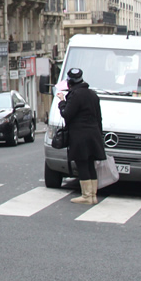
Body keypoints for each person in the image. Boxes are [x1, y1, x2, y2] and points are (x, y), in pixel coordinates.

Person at [56, 67, 106, 205]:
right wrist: (99, 136)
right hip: (94, 134)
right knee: (90, 164)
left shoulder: (75, 95)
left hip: (80, 135)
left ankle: (86, 196)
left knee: (82, 163)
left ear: (69, 82)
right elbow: (99, 117)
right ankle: (93, 195)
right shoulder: (92, 94)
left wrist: (61, 101)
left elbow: (67, 114)